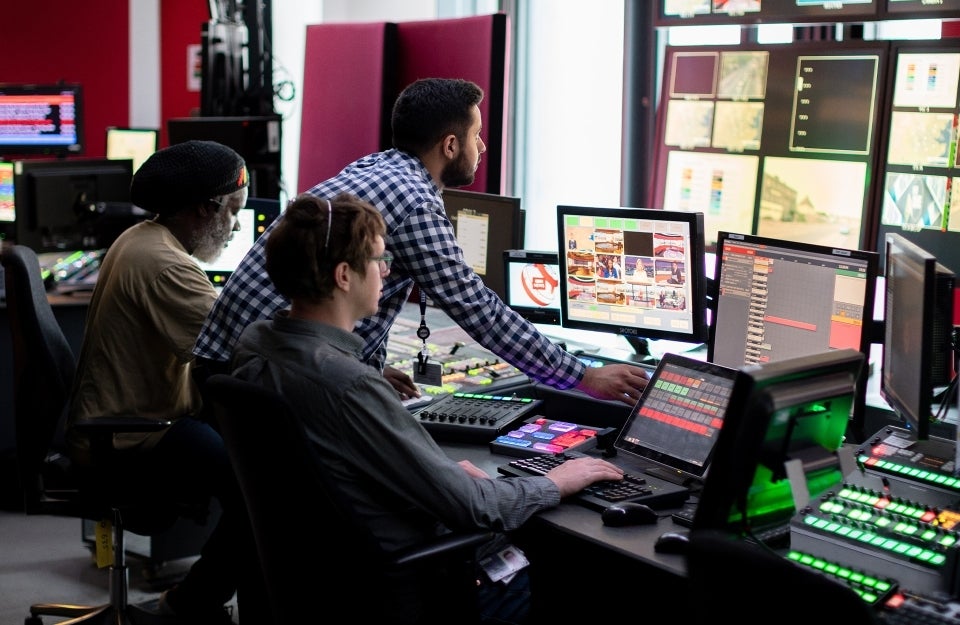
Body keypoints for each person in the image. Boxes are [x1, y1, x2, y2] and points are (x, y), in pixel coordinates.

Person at [228, 192, 627, 624]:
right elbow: (478, 509)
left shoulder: (258, 343)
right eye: (379, 258)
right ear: (344, 275)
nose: (387, 270)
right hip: (411, 580)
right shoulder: (351, 385)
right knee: (589, 581)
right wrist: (557, 480)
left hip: (323, 580)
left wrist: (443, 476)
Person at [194, 77, 648, 405]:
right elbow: (477, 309)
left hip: (235, 367)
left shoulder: (374, 167)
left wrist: (368, 372)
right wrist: (583, 375)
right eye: (475, 136)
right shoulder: (413, 201)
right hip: (274, 379)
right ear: (450, 146)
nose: (482, 147)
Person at [66, 140, 267, 622]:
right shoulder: (166, 266)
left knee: (252, 469)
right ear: (203, 209)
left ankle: (194, 600)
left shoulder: (143, 238)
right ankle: (192, 605)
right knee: (264, 488)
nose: (237, 224)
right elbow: (241, 344)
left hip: (127, 426)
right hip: (134, 438)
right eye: (233, 211)